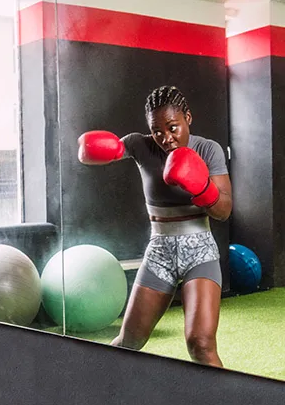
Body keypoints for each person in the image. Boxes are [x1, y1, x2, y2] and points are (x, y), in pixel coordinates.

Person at [77, 85, 232, 367]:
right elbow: (112, 148)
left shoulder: (207, 149)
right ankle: (95, 390)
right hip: (159, 250)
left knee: (201, 343)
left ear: (188, 117)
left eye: (173, 127)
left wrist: (203, 186)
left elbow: (224, 210)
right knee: (129, 342)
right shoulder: (140, 144)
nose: (166, 138)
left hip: (199, 250)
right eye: (157, 131)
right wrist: (99, 149)